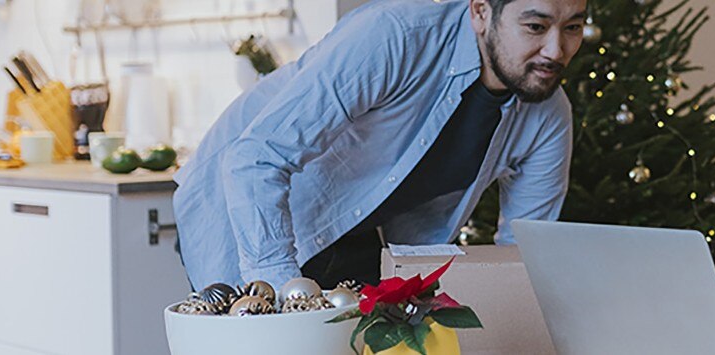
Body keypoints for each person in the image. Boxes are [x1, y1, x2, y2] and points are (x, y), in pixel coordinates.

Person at [172, 0, 588, 290]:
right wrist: (284, 296)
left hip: (355, 231)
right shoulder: (396, 36)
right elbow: (258, 158)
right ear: (481, 11)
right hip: (242, 211)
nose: (556, 50)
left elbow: (523, 255)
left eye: (573, 27)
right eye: (535, 26)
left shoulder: (548, 116)